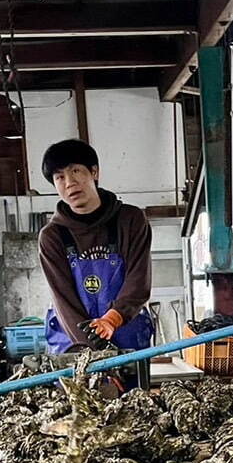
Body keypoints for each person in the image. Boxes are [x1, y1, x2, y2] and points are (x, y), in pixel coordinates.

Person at [38, 139, 155, 364]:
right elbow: (64, 300)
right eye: (60, 177)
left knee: (135, 397)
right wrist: (93, 354)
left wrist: (112, 319)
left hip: (126, 333)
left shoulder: (130, 220)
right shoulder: (51, 236)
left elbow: (138, 281)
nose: (70, 183)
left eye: (75, 171)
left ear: (94, 172)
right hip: (73, 340)